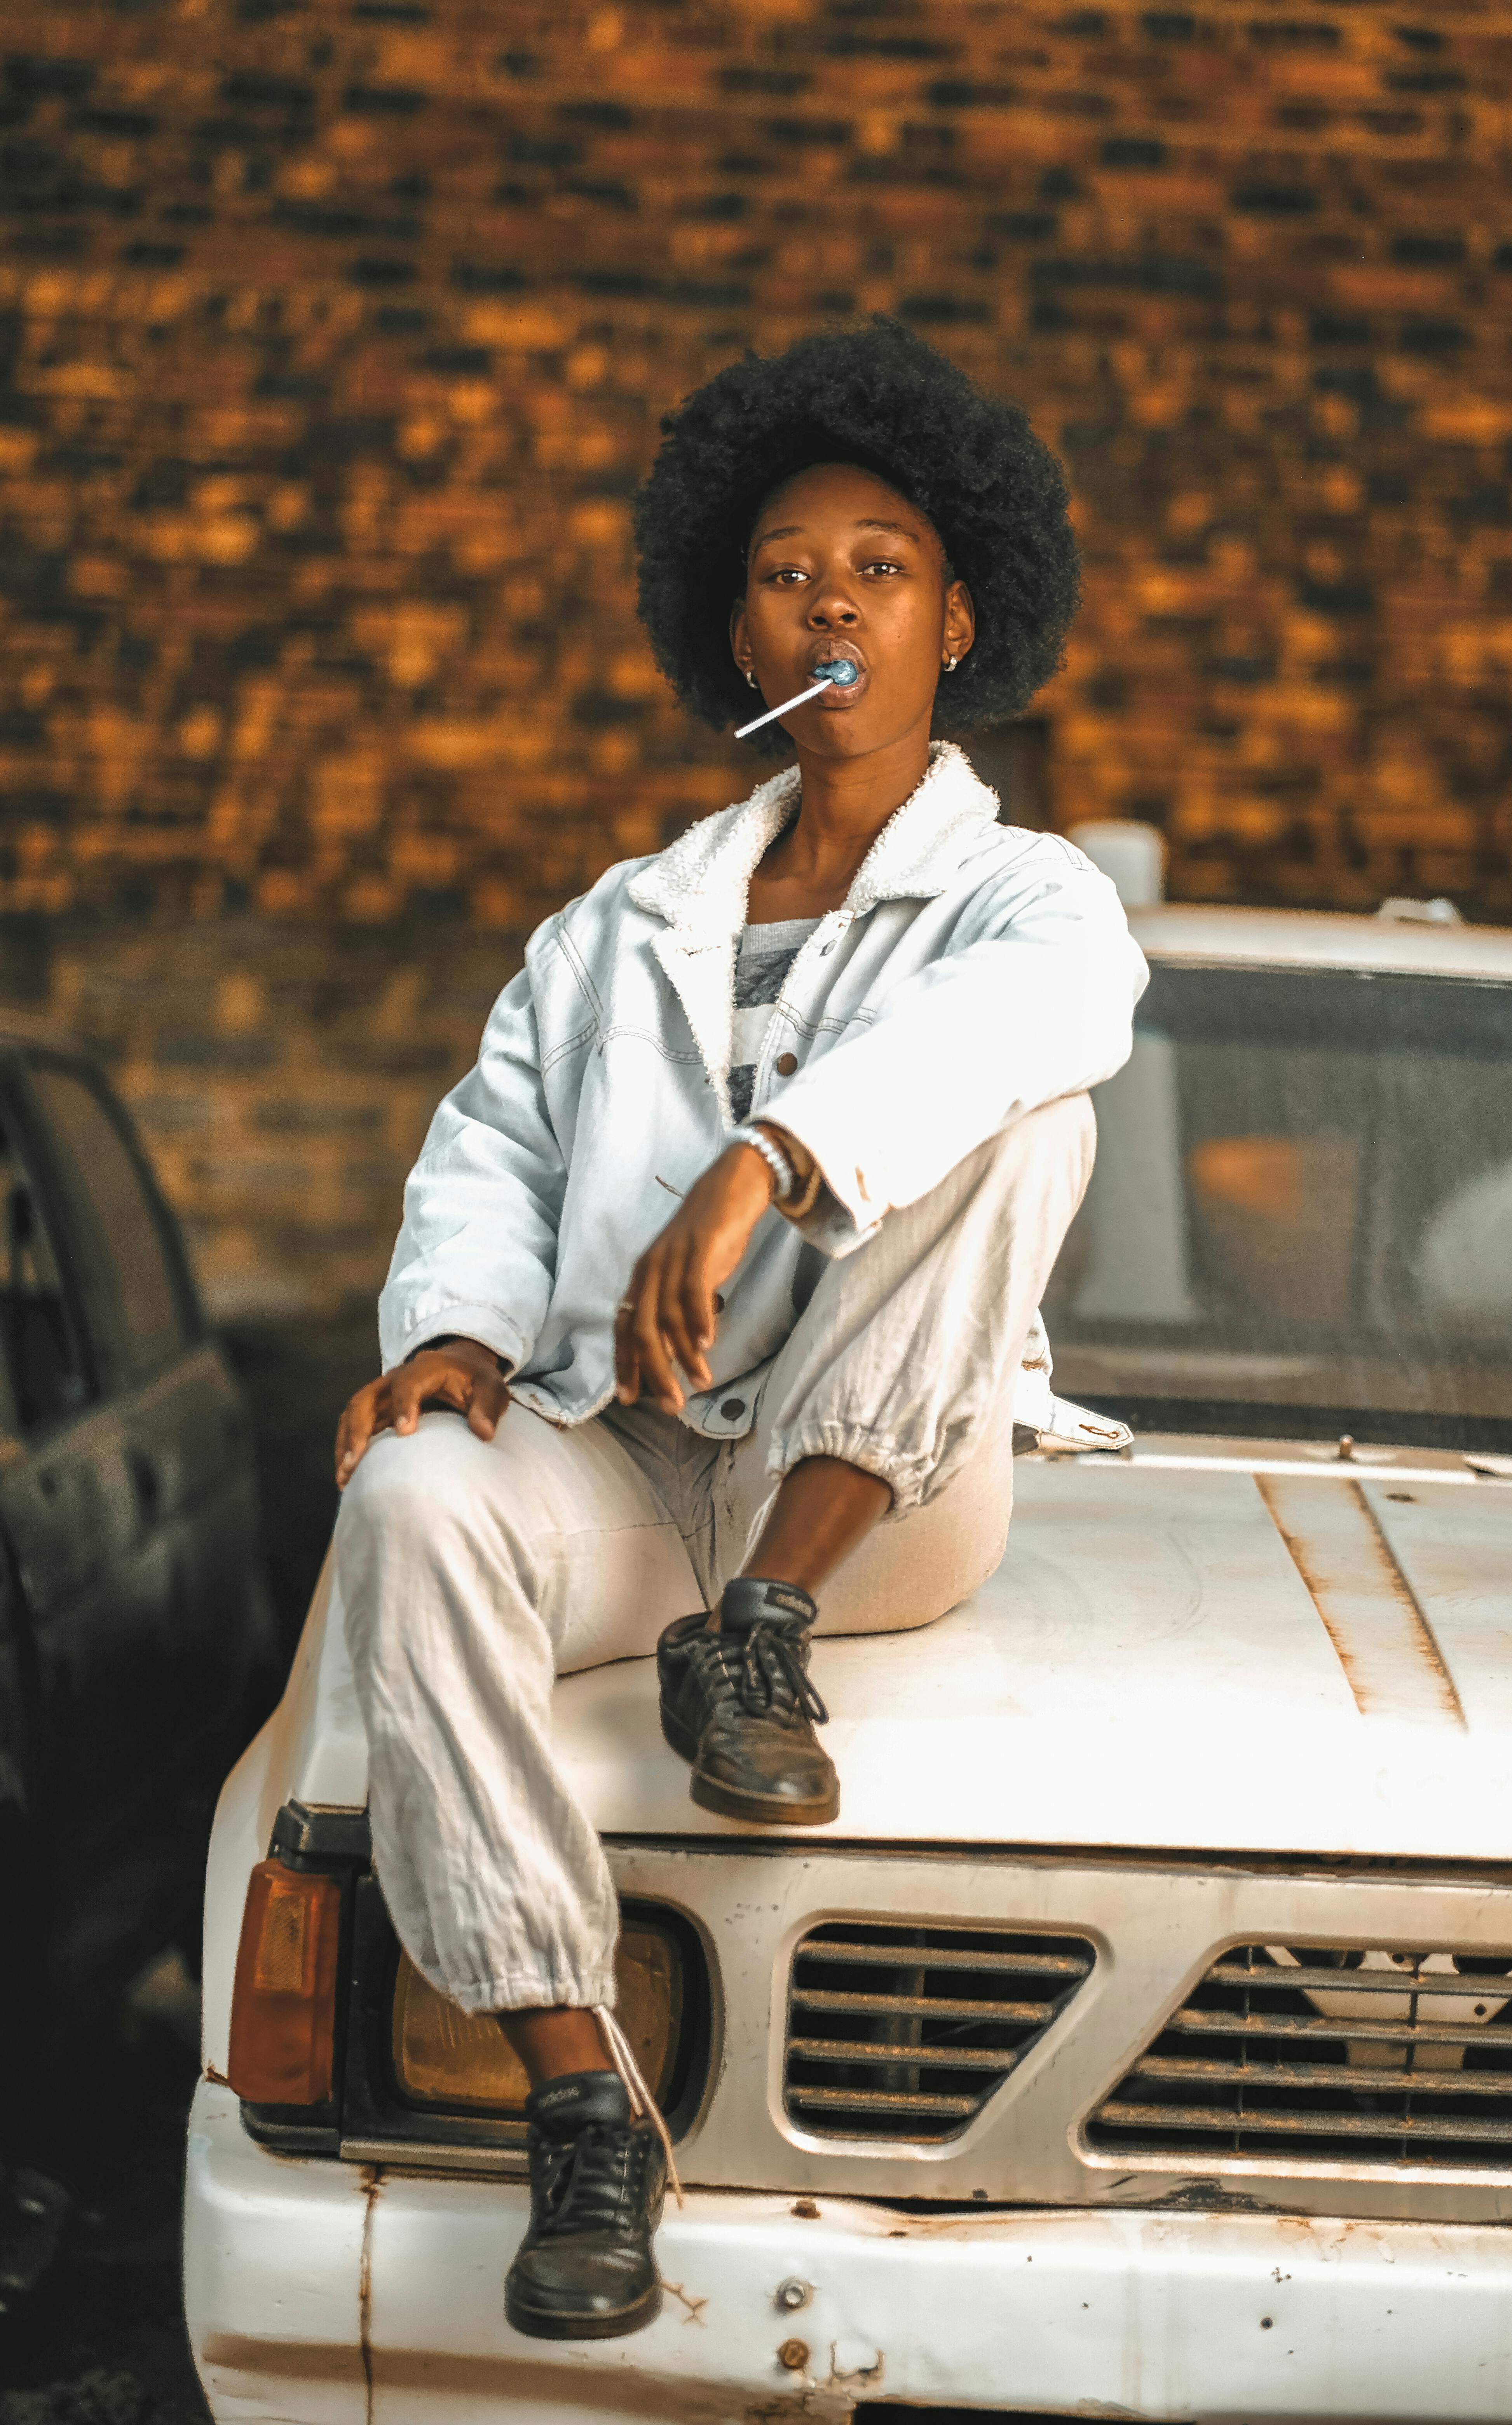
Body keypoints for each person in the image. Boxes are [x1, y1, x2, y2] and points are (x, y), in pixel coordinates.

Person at [330, 318, 1148, 2346]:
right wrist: (456, 1330)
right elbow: (495, 1146)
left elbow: (1039, 1026)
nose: (832, 602)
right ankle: (580, 2097)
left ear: (959, 622)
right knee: (408, 1499)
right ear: (739, 635)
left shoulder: (1028, 898)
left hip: (869, 1498)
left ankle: (759, 1635)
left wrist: (769, 1158)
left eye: (881, 567)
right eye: (788, 573)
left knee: (1033, 1111)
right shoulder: (614, 924)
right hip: (629, 1455)